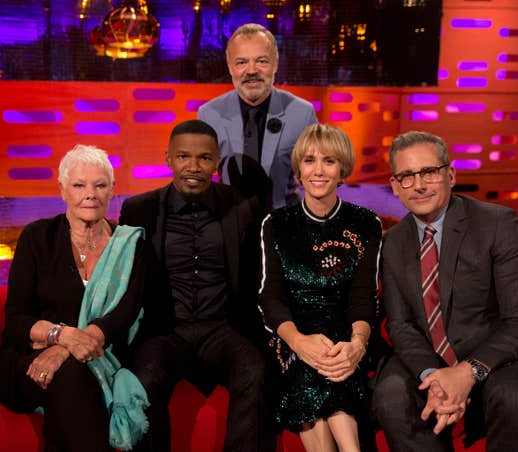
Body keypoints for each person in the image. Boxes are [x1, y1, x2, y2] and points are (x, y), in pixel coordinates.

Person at [372, 131, 518, 451]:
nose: (419, 185)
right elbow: (401, 325)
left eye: (429, 172)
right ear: (394, 186)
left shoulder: (497, 224)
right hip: (430, 358)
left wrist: (467, 372)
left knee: (515, 396)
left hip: (501, 357)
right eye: (406, 176)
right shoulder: (391, 243)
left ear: (451, 175)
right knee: (390, 394)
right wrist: (434, 376)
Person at [119, 119, 269, 452]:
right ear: (168, 158)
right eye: (184, 156)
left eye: (204, 158)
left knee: (254, 372)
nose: (193, 166)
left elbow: (260, 276)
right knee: (143, 380)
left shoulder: (243, 207)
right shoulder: (138, 210)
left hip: (223, 329)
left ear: (217, 162)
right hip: (165, 331)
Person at [0, 145, 153, 451]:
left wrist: (65, 349)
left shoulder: (131, 245)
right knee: (72, 376)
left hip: (105, 353)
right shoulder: (37, 237)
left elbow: (124, 314)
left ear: (112, 190)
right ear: (63, 190)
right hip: (31, 357)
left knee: (71, 373)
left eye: (100, 185)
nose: (90, 194)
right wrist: (63, 336)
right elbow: (17, 320)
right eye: (79, 185)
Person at [259, 124, 383, 452]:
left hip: (347, 331)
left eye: (329, 161)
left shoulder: (366, 223)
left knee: (334, 354)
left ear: (342, 168)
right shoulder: (277, 224)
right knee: (312, 359)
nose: (318, 170)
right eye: (309, 160)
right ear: (298, 169)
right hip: (292, 332)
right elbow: (270, 297)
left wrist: (357, 344)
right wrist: (299, 342)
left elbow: (363, 296)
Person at [198, 22, 318, 211]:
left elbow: (318, 180)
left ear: (275, 64)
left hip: (285, 225)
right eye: (241, 62)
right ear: (230, 67)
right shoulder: (209, 114)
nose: (251, 70)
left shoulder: (302, 113)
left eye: (261, 61)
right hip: (230, 226)